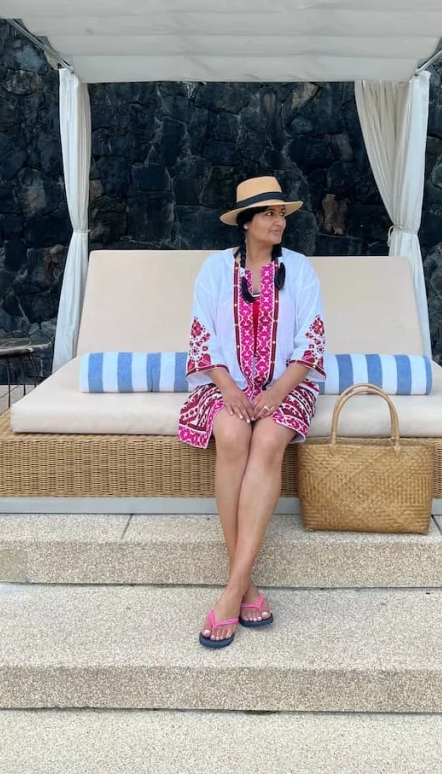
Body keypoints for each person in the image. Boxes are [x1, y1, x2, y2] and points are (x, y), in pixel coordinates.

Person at [178, 176, 326, 648]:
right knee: (233, 435)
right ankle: (245, 587)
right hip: (224, 384)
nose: (278, 222)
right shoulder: (214, 270)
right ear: (245, 222)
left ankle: (231, 591)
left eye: (281, 214)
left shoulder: (299, 269)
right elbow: (203, 336)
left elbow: (311, 342)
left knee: (267, 440)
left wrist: (278, 391)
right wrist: (230, 389)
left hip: (288, 385)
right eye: (268, 213)